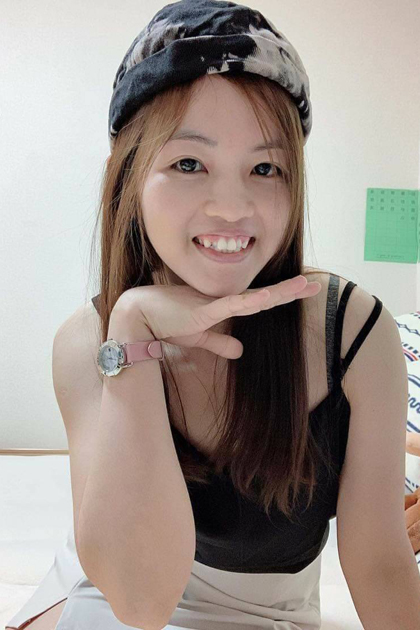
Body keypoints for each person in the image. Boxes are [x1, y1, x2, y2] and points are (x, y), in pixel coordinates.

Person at [6, 1, 384, 629]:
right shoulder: (88, 340)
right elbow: (138, 603)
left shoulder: (350, 330)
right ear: (128, 176)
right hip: (110, 584)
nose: (231, 207)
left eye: (265, 168)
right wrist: (132, 330)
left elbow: (380, 567)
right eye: (188, 163)